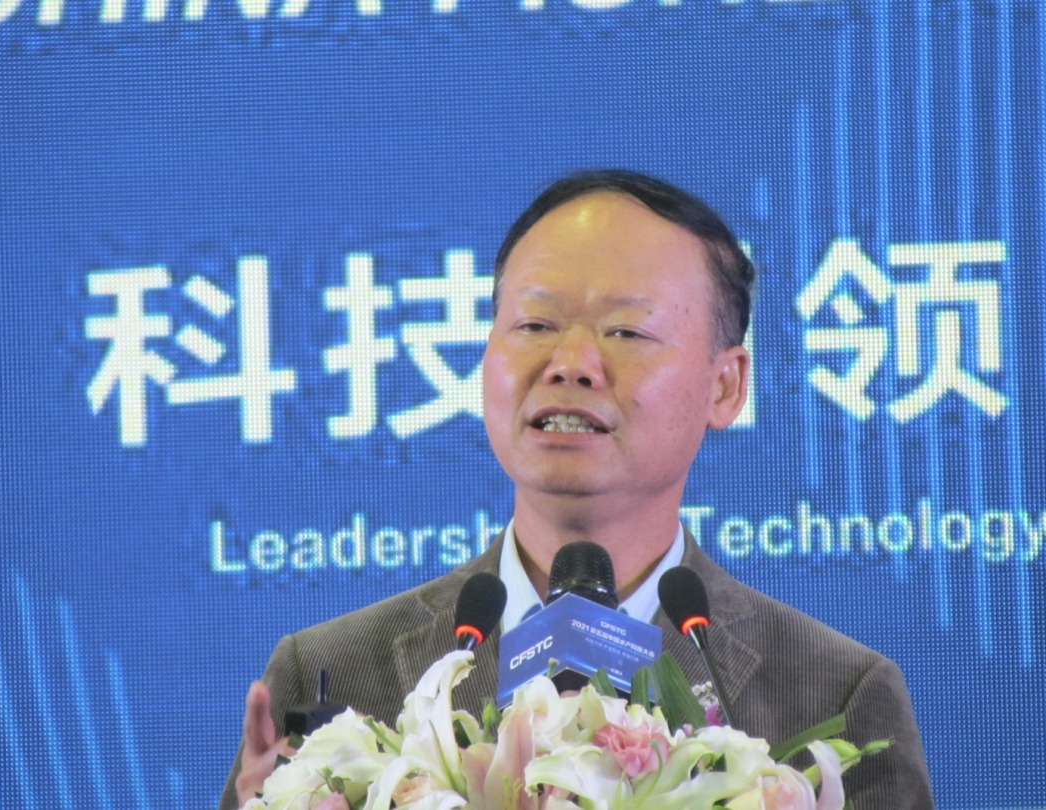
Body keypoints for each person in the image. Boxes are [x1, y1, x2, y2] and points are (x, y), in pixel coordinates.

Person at [219, 170, 934, 810]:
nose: (571, 363)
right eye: (535, 324)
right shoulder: (331, 675)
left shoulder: (836, 696)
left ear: (725, 386)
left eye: (626, 330)